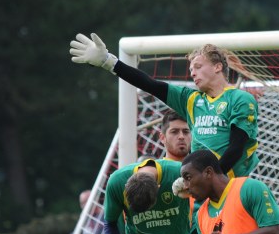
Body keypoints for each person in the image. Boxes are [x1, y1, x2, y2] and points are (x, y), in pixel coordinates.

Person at [70, 34, 259, 178]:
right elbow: (151, 85)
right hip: (203, 191)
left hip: (231, 186)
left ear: (218, 67)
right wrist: (109, 62)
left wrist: (210, 180)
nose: (193, 73)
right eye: (191, 70)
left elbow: (236, 148)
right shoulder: (191, 99)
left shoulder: (239, 98)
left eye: (198, 67)